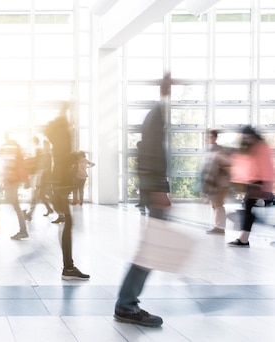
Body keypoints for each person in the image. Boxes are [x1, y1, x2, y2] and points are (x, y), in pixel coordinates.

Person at [114, 73, 172, 328]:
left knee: (152, 247)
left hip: (153, 186)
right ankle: (126, 305)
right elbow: (150, 154)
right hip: (153, 187)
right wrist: (158, 188)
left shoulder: (157, 112)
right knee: (151, 249)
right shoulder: (156, 114)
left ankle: (127, 303)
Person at [44, 103, 90, 281]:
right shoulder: (62, 136)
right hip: (60, 185)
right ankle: (68, 267)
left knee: (68, 223)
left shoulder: (57, 137)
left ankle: (68, 266)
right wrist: (77, 156)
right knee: (68, 223)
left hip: (58, 185)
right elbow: (63, 158)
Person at [228, 126, 274, 247]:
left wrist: (265, 185)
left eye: (248, 136)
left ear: (253, 135)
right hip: (253, 183)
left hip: (260, 183)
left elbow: (266, 166)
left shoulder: (261, 146)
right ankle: (244, 239)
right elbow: (243, 165)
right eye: (245, 136)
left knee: (249, 210)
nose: (246, 138)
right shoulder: (249, 148)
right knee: (250, 210)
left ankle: (244, 239)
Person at [0, 133, 28, 240]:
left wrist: (6, 180)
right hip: (10, 180)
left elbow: (9, 164)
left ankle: (23, 230)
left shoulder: (10, 147)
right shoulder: (14, 147)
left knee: (10, 204)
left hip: (11, 181)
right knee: (5, 203)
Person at [200, 129, 231, 235]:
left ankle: (220, 228)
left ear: (214, 138)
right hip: (215, 183)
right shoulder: (210, 150)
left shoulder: (219, 150)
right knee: (215, 205)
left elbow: (226, 165)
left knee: (218, 204)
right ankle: (218, 226)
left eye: (209, 136)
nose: (207, 139)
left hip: (220, 183)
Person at [25, 138, 54, 220]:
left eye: (46, 145)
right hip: (41, 179)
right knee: (41, 196)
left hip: (44, 180)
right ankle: (49, 209)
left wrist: (40, 173)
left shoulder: (48, 155)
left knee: (35, 197)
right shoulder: (43, 155)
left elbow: (47, 168)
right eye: (44, 145)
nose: (44, 147)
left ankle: (30, 214)